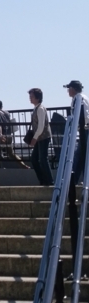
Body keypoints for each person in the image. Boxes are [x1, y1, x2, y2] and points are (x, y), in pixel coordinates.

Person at [65, 80, 89, 262]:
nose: (68, 91)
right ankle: (78, 178)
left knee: (79, 156)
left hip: (84, 130)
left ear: (73, 89)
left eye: (68, 88)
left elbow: (76, 117)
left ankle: (73, 180)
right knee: (82, 156)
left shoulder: (77, 100)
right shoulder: (85, 98)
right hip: (86, 130)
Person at [27, 88, 53, 187]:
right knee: (35, 159)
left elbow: (41, 126)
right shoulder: (36, 108)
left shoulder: (40, 109)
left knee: (43, 159)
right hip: (39, 137)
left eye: (32, 96)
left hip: (43, 137)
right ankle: (43, 179)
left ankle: (49, 180)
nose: (30, 98)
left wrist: (34, 138)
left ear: (37, 98)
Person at [0, 100, 29, 169]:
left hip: (2, 135)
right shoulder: (6, 113)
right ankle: (24, 166)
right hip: (9, 135)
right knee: (11, 154)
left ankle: (0, 169)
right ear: (1, 105)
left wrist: (0, 134)